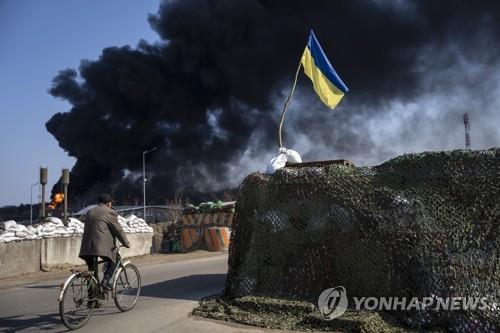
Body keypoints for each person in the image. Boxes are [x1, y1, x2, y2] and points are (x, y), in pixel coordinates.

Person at [79, 193, 130, 291]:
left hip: (86, 248)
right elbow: (118, 229)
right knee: (115, 259)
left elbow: (83, 220)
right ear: (109, 203)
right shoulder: (110, 212)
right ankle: (105, 281)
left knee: (92, 272)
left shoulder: (90, 211)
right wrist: (126, 243)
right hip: (100, 247)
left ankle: (92, 300)